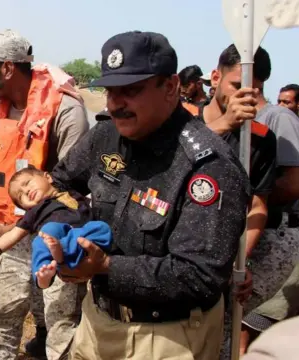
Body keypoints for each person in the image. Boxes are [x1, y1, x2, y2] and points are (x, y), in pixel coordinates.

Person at [50, 31, 250, 359]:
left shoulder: (209, 166)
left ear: (170, 87)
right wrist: (70, 237)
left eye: (131, 91)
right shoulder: (104, 136)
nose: (115, 103)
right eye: (110, 91)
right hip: (96, 322)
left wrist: (105, 267)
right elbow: (59, 186)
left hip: (167, 338)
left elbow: (199, 275)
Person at [0, 29, 90, 360]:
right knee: (5, 318)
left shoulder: (66, 113)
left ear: (7, 69)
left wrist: (5, 233)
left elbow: (71, 196)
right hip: (11, 239)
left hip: (55, 241)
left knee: (59, 326)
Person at [199, 44, 279, 359]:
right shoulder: (179, 123)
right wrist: (224, 126)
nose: (245, 98)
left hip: (222, 261)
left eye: (255, 91)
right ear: (215, 77)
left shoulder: (259, 139)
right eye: (237, 86)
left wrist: (239, 262)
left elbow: (257, 206)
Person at [0, 167, 112, 289]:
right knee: (45, 236)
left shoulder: (74, 194)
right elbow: (14, 234)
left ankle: (62, 249)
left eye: (27, 183)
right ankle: (43, 278)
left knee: (101, 227)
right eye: (21, 197)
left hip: (85, 242)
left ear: (48, 177)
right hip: (56, 246)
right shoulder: (35, 212)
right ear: (26, 207)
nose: (26, 191)